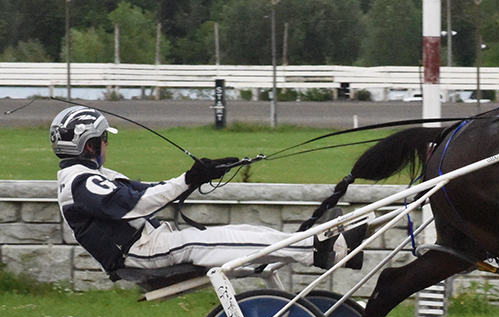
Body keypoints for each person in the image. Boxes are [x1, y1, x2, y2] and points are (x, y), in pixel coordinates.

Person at [51, 105, 364, 279]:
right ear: (89, 144)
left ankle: (316, 246)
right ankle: (326, 251)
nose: (107, 143)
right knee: (230, 239)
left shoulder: (89, 177)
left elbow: (148, 191)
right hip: (144, 253)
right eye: (104, 138)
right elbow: (137, 206)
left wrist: (201, 176)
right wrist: (189, 179)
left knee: (245, 231)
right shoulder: (80, 183)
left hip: (150, 245)